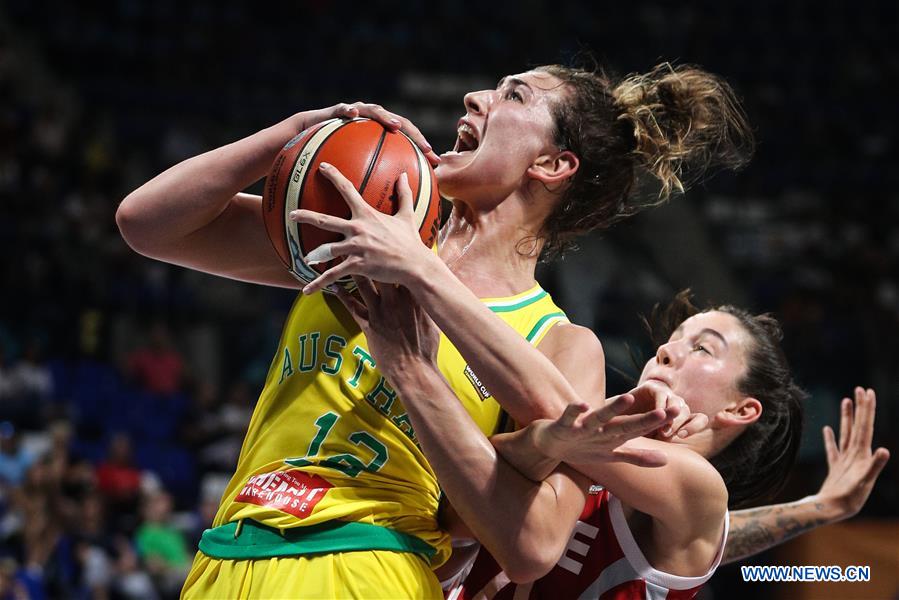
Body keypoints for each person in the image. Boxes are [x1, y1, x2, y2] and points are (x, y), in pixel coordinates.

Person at [117, 62, 754, 598]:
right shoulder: (360, 235)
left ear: (553, 164)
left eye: (513, 95)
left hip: (367, 560)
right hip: (227, 554)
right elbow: (146, 225)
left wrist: (418, 283)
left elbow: (534, 543)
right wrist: (290, 138)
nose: (475, 98)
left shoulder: (558, 341)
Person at [335, 280, 882, 598]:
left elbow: (528, 432)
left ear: (741, 410)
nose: (666, 351)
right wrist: (819, 508)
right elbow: (465, 488)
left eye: (702, 348)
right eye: (673, 340)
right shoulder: (617, 481)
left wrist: (424, 276)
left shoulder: (698, 488)